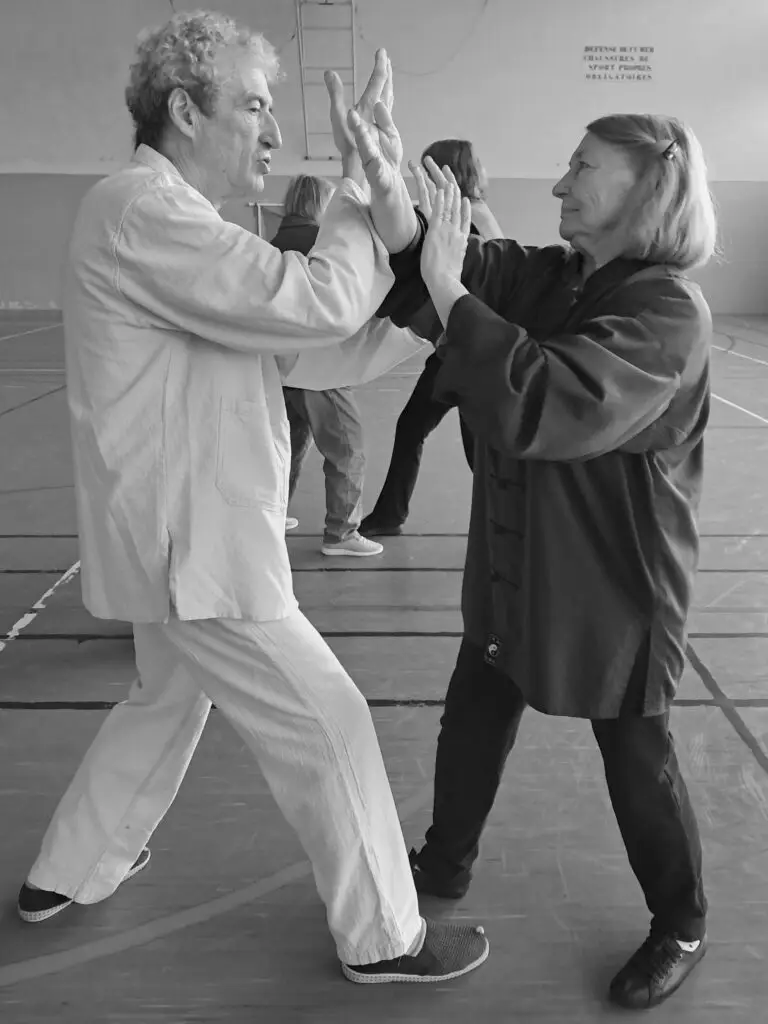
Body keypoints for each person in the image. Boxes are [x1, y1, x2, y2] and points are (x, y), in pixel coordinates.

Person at [16, 10, 490, 986]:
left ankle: (65, 869)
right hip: (194, 545)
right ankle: (384, 939)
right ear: (185, 112)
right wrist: (366, 190)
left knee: (164, 700)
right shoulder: (139, 210)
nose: (274, 133)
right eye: (256, 108)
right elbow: (310, 302)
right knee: (330, 722)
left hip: (176, 534)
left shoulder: (178, 223)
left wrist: (434, 307)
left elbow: (303, 347)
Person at [368, 113, 717, 1008]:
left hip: (612, 582)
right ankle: (443, 862)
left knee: (635, 751)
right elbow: (461, 272)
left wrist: (450, 292)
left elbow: (552, 401)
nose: (561, 184)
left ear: (646, 190)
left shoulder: (668, 312)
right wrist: (392, 199)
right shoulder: (558, 277)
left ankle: (680, 919)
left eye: (582, 168)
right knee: (475, 707)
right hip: (518, 560)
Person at [360, 138, 503, 539]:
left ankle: (506, 520)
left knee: (475, 446)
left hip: (466, 347)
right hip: (456, 345)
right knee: (416, 427)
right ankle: (390, 514)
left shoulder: (468, 217)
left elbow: (469, 284)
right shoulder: (473, 214)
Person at [272, 174, 383, 556]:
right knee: (347, 448)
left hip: (281, 367)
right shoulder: (324, 244)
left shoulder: (272, 243)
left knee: (290, 444)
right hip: (321, 366)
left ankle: (273, 515)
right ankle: (342, 532)